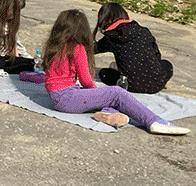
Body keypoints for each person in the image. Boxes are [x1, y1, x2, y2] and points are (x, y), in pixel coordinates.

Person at [39, 9, 188, 134]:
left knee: (107, 97)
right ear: (82, 30)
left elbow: (48, 76)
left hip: (57, 99)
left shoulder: (54, 47)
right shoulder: (78, 48)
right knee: (116, 93)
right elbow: (86, 80)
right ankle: (153, 121)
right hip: (68, 99)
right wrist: (95, 92)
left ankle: (108, 113)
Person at [93, 3, 173, 93]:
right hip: (156, 84)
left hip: (130, 86)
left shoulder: (112, 37)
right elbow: (157, 56)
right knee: (167, 64)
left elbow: (93, 50)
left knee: (104, 73)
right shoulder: (143, 31)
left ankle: (118, 70)